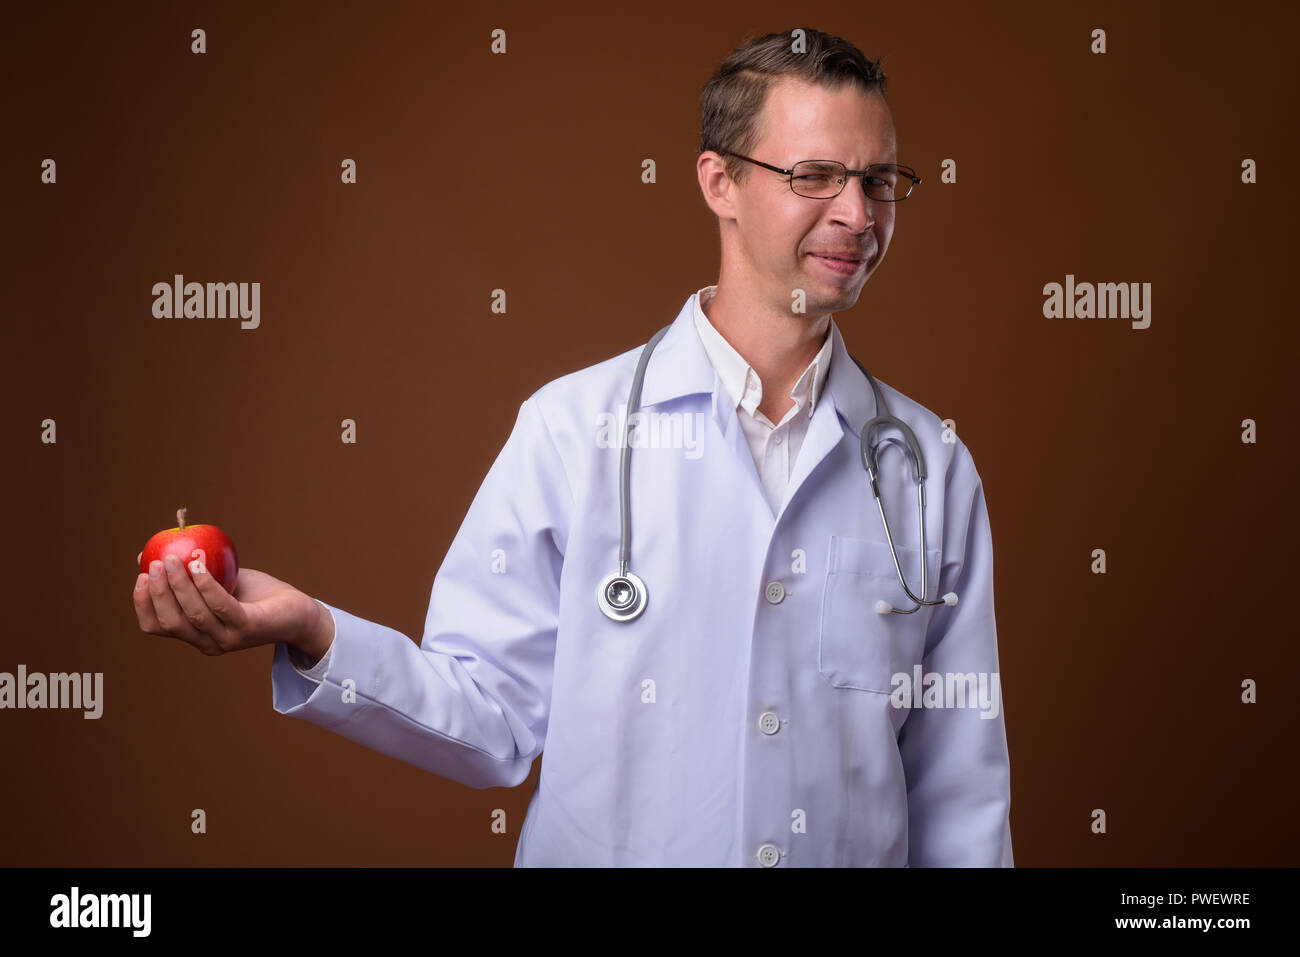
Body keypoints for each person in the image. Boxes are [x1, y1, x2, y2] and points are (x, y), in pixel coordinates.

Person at [132, 27, 1013, 867]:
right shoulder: (571, 428)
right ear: (720, 182)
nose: (857, 214)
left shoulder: (930, 466)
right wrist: (318, 632)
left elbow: (960, 791)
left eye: (879, 179)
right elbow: (492, 718)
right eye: (815, 175)